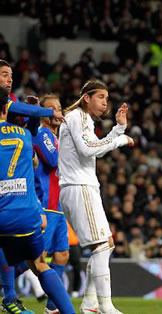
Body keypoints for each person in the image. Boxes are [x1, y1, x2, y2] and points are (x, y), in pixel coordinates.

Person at [59, 80, 133, 314]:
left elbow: (93, 145)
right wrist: (120, 139)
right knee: (101, 246)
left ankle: (91, 304)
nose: (105, 102)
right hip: (79, 186)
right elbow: (88, 150)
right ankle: (105, 307)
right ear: (86, 98)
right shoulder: (78, 116)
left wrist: (118, 129)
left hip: (82, 186)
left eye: (107, 98)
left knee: (106, 244)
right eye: (101, 97)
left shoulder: (83, 120)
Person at [0, 86, 75, 313]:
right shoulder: (24, 135)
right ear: (7, 107)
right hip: (27, 213)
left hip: (3, 213)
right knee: (40, 263)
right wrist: (36, 112)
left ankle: (11, 299)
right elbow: (35, 161)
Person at [33, 94, 70, 313]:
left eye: (59, 108)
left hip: (59, 207)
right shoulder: (42, 133)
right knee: (35, 259)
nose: (58, 112)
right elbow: (53, 161)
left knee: (62, 255)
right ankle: (5, 282)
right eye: (52, 109)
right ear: (44, 114)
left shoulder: (56, 137)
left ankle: (51, 308)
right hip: (45, 205)